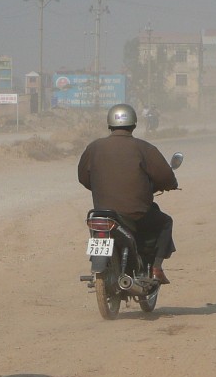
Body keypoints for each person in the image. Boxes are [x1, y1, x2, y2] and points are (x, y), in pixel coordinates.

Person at [77, 103, 179, 283]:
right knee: (165, 222)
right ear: (134, 124)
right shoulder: (144, 148)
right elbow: (165, 176)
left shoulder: (93, 147)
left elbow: (84, 178)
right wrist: (169, 184)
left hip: (102, 213)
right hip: (135, 213)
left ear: (110, 124)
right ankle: (156, 268)